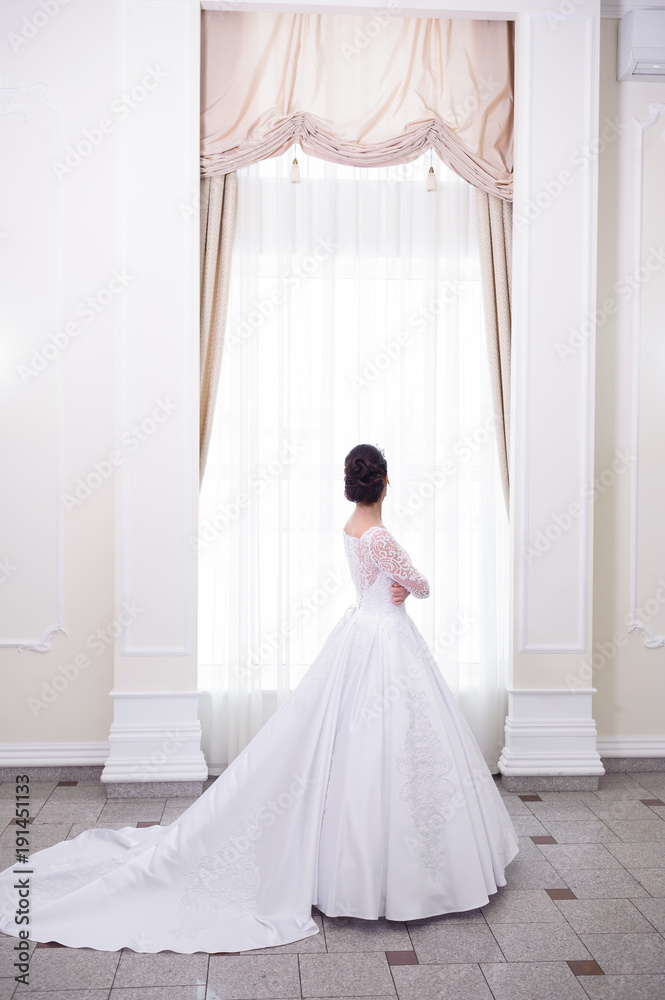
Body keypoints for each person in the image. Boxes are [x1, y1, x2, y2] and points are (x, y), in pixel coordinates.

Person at [0, 444, 518, 954]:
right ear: (385, 483)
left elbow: (383, 582)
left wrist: (396, 587)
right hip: (385, 639)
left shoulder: (351, 528)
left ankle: (353, 867)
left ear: (355, 483)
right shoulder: (379, 533)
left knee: (355, 746)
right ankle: (400, 873)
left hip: (363, 630)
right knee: (389, 748)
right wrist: (410, 586)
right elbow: (421, 586)